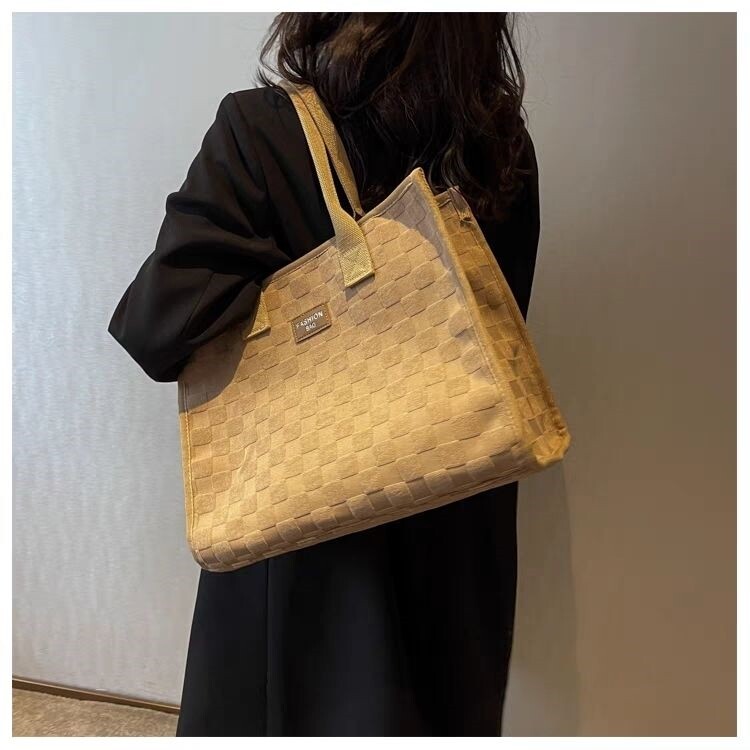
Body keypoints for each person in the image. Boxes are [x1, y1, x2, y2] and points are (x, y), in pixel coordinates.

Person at [107, 12, 540, 737]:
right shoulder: (500, 146)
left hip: (305, 547)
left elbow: (158, 329)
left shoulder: (263, 132)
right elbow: (503, 321)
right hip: (460, 535)